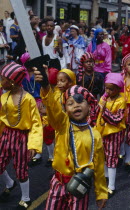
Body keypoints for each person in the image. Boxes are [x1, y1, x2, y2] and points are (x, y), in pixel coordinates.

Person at [34, 66, 108, 210]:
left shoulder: (95, 135)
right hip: (58, 183)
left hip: (79, 186)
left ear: (89, 106)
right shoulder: (63, 124)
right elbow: (54, 111)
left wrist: (101, 193)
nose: (75, 106)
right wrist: (45, 86)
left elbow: (99, 166)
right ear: (66, 109)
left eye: (80, 102)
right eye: (70, 103)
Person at [0, 62, 43, 209]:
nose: (1, 82)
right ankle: (9, 183)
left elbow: (36, 123)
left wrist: (34, 145)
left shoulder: (27, 99)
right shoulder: (4, 96)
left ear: (12, 81)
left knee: (21, 168)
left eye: (3, 79)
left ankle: (26, 198)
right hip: (6, 135)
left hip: (22, 138)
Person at [96, 73, 126, 198]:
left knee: (112, 157)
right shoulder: (105, 97)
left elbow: (116, 119)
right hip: (102, 131)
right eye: (106, 88)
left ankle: (111, 186)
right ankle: (106, 176)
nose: (107, 91)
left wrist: (103, 110)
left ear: (119, 89)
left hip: (114, 133)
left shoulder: (121, 101)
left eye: (111, 89)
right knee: (103, 154)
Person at [118, 53, 130, 173]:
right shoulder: (120, 78)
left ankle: (128, 160)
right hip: (121, 109)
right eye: (129, 64)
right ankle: (120, 153)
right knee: (119, 133)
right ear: (124, 65)